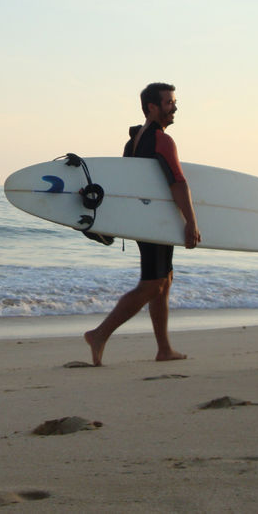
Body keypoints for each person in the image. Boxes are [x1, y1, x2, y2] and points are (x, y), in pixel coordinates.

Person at [84, 82, 201, 366]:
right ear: (152, 107)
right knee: (152, 284)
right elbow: (178, 182)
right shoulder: (162, 140)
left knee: (164, 280)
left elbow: (125, 185)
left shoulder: (133, 141)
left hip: (146, 221)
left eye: (174, 102)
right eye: (169, 102)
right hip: (155, 222)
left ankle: (164, 348)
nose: (174, 108)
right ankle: (99, 334)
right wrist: (191, 223)